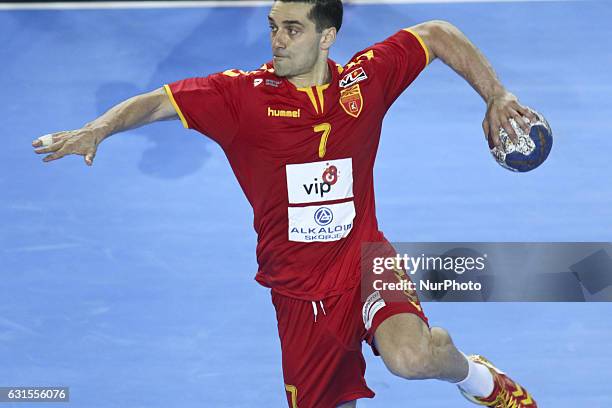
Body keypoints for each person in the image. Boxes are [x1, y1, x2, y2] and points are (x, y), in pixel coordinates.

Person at [32, 1, 539, 407]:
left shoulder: (364, 81)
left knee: (410, 359)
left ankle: (478, 379)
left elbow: (436, 33)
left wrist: (495, 94)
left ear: (326, 37)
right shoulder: (240, 98)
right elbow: (159, 101)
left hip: (365, 261)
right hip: (299, 297)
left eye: (292, 29)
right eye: (273, 26)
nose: (276, 39)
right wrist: (99, 127)